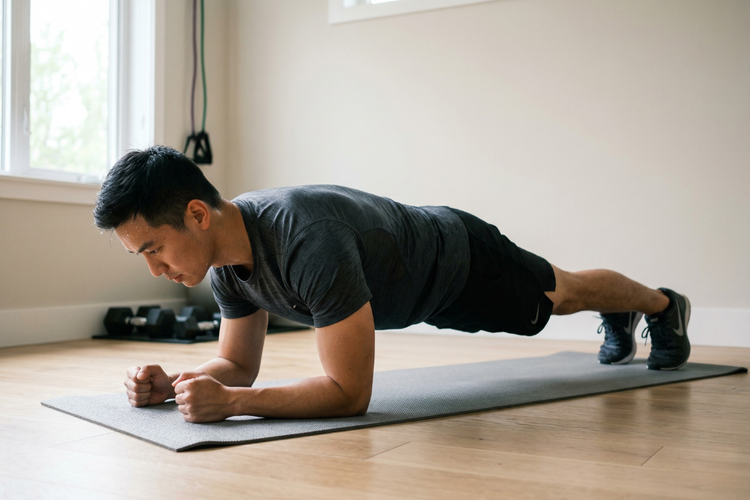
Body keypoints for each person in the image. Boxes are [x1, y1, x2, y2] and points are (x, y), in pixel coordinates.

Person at [93, 146, 691, 423]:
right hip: (423, 290)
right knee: (566, 294)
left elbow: (349, 393)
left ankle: (662, 306)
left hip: (460, 260)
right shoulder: (225, 260)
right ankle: (621, 314)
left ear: (197, 214)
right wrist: (177, 384)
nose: (154, 269)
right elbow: (236, 364)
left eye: (153, 248)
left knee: (564, 294)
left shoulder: (307, 240)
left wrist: (235, 406)